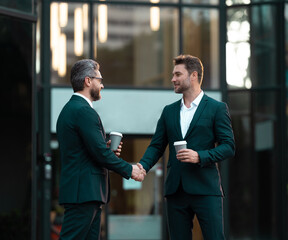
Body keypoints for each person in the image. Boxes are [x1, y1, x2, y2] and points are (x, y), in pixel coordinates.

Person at [138, 54, 235, 239]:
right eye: (173, 75)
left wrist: (200, 156)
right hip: (176, 190)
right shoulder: (169, 111)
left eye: (177, 74)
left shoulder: (217, 108)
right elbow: (156, 146)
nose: (172, 79)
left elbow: (228, 146)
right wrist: (142, 166)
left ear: (193, 75)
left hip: (206, 188)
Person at [56, 59, 146, 240]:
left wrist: (104, 148)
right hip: (84, 194)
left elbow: (89, 151)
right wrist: (131, 170)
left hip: (85, 193)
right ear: (88, 81)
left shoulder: (71, 109)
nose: (102, 85)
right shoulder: (83, 111)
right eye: (100, 79)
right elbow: (99, 155)